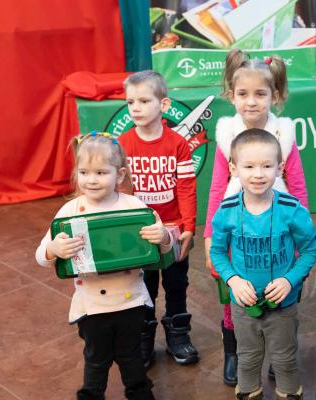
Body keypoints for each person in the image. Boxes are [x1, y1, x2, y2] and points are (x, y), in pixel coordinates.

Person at [35, 132, 171, 400]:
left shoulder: (135, 207)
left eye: (101, 172)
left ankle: (140, 394)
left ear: (119, 175)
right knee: (96, 361)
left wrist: (163, 236)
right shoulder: (70, 212)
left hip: (130, 303)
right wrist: (53, 249)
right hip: (91, 307)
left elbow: (162, 251)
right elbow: (41, 255)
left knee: (131, 358)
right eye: (84, 172)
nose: (92, 179)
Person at [203, 49, 308, 387]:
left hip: (279, 229)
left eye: (260, 94)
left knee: (281, 292)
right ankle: (234, 348)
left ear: (274, 96)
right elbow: (217, 189)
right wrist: (209, 237)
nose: (251, 102)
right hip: (237, 231)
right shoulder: (224, 134)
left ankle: (281, 352)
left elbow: (299, 188)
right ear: (230, 95)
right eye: (243, 94)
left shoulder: (284, 135)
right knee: (235, 290)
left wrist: (299, 236)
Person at [209, 129, 316, 400]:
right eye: (249, 166)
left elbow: (310, 250)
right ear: (234, 169)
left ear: (280, 168)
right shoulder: (226, 211)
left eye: (267, 166)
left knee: (285, 360)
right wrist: (233, 280)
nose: (258, 174)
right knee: (247, 358)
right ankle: (248, 393)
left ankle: (289, 393)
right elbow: (218, 253)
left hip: (283, 306)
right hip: (243, 306)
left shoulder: (292, 209)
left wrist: (288, 280)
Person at [117, 70, 199, 368]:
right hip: (140, 234)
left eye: (143, 100)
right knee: (144, 287)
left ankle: (178, 334)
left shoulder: (177, 144)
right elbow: (119, 192)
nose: (135, 108)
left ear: (163, 105)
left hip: (174, 231)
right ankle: (144, 337)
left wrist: (188, 226)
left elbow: (186, 188)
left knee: (176, 285)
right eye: (129, 102)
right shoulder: (122, 144)